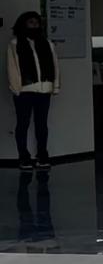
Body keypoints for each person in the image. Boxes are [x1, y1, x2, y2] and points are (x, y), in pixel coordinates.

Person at [7, 10, 59, 170]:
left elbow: (55, 66)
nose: (34, 26)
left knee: (41, 125)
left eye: (36, 23)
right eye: (31, 22)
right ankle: (24, 157)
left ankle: (42, 155)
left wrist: (55, 86)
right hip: (24, 90)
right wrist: (16, 89)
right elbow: (12, 68)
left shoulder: (47, 44)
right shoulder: (15, 44)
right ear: (23, 24)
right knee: (23, 124)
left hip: (44, 90)